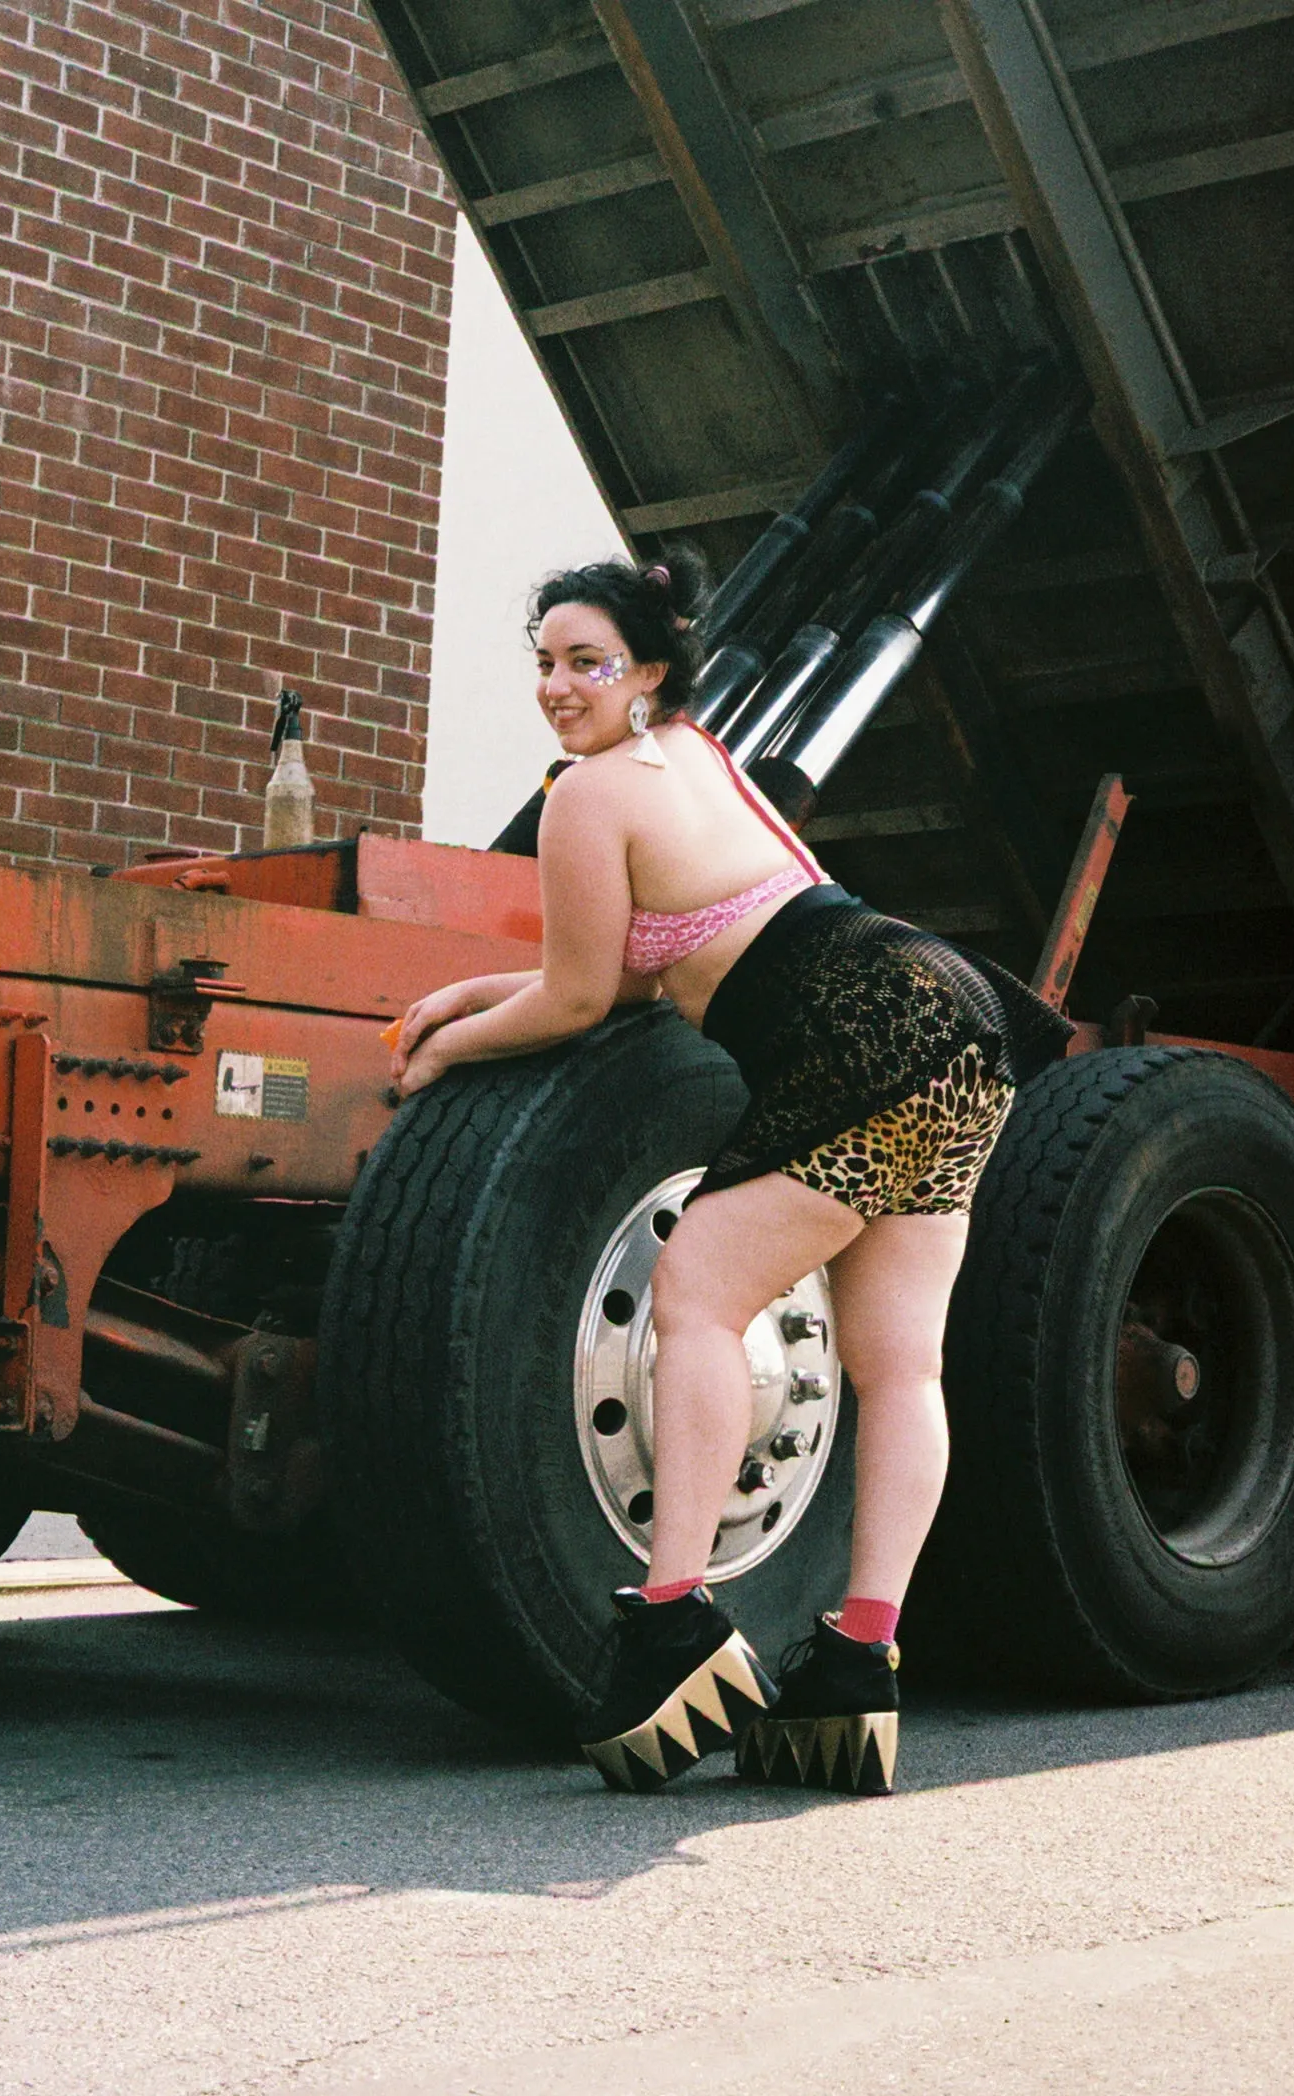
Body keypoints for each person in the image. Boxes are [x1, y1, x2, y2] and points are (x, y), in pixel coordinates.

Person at [389, 550, 1071, 1796]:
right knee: (896, 1360)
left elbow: (583, 993)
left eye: (585, 661)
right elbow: (634, 969)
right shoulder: (696, 759)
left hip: (860, 1027)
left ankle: (673, 1621)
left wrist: (446, 1047)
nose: (558, 685)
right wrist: (476, 995)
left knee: (697, 1291)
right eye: (542, 660)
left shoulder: (587, 794)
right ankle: (857, 1666)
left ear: (647, 669)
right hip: (954, 1016)